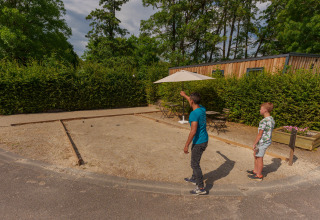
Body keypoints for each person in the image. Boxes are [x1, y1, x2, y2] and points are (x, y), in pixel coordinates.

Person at [180, 91, 208, 195]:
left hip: (199, 142)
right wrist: (185, 95)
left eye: (189, 100)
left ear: (192, 102)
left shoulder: (193, 114)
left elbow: (193, 131)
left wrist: (186, 145)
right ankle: (194, 178)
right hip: (203, 139)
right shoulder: (202, 109)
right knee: (195, 160)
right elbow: (192, 100)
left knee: (195, 164)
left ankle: (201, 187)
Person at [248, 102, 275, 180]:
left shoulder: (264, 121)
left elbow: (259, 134)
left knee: (259, 157)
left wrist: (254, 143)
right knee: (256, 155)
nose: (260, 110)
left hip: (262, 142)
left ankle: (259, 175)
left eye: (261, 109)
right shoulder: (271, 119)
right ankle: (255, 171)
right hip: (266, 141)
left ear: (265, 110)